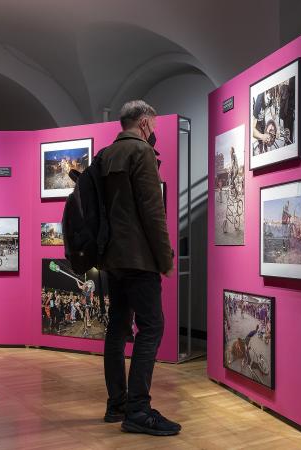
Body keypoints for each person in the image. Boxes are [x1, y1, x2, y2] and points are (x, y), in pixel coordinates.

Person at [99, 100, 179, 436]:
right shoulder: (141, 153)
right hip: (139, 258)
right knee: (151, 328)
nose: (154, 132)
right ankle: (138, 409)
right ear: (144, 122)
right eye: (154, 126)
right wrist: (166, 259)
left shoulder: (105, 155)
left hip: (112, 258)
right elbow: (153, 212)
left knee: (118, 329)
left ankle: (117, 403)